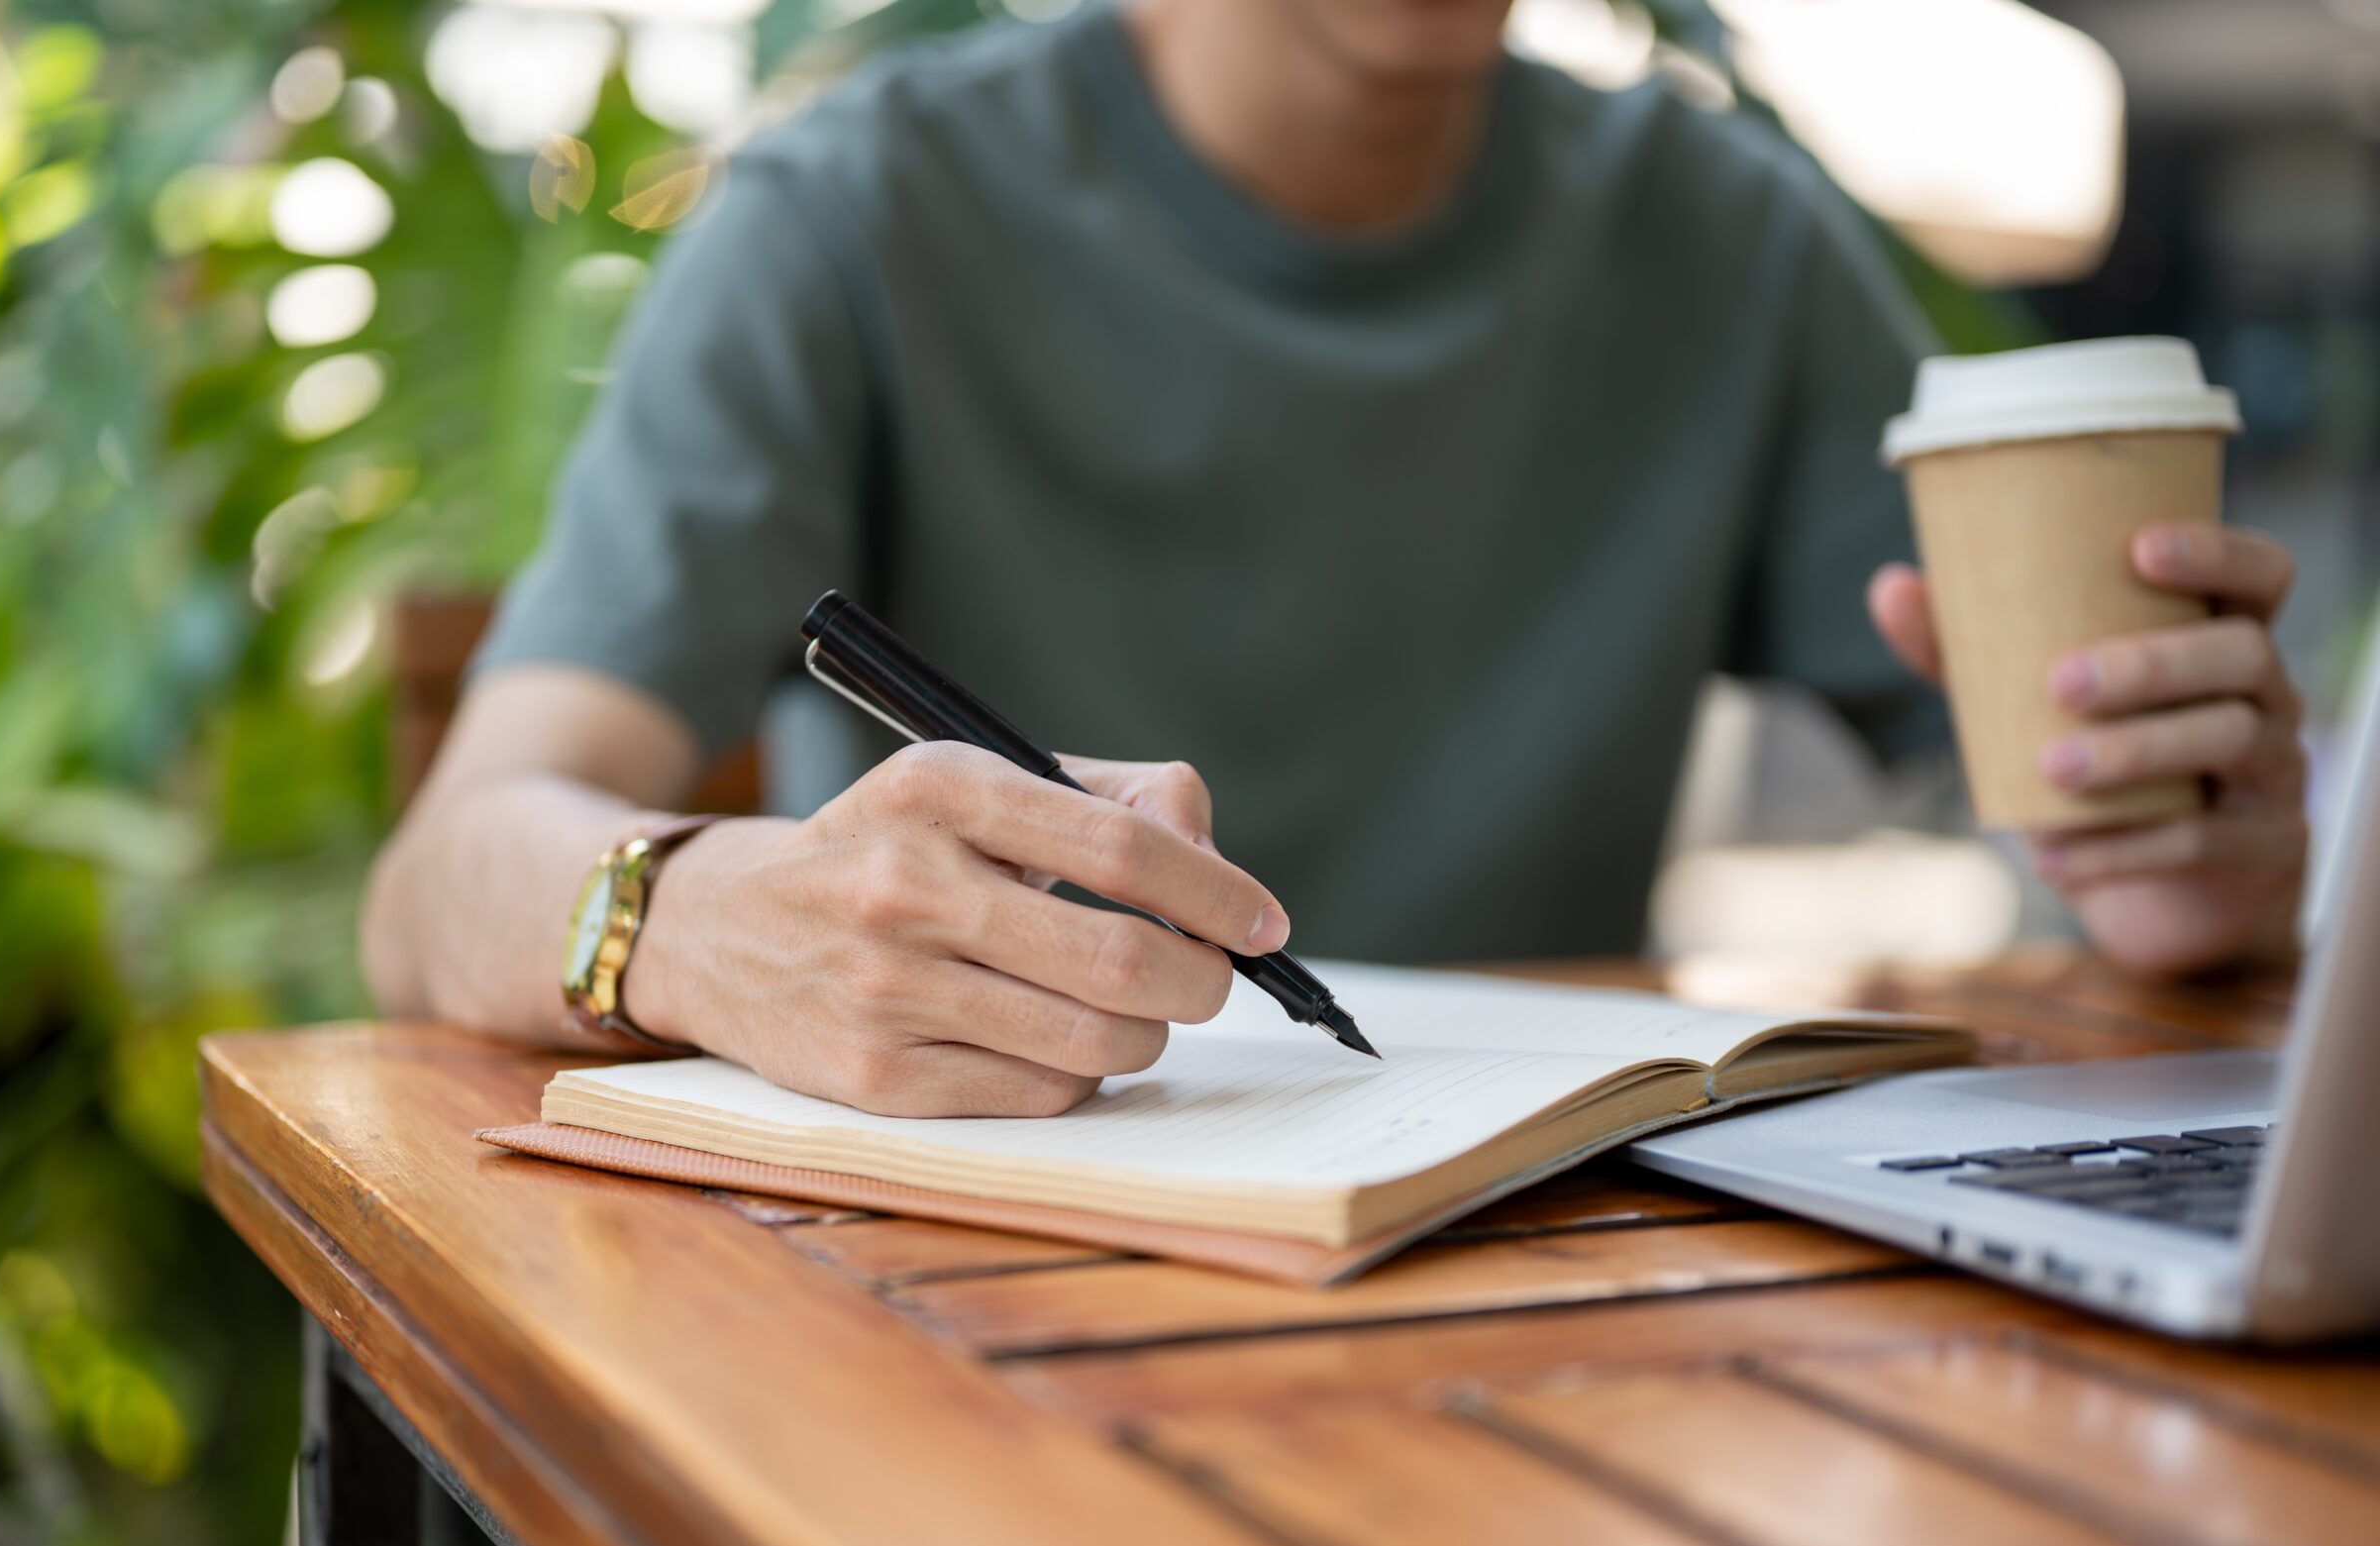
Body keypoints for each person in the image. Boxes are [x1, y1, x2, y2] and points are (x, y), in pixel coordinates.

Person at [362, 0, 2309, 1117]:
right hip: (956, 1326)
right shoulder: (850, 218)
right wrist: (689, 922)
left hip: (1539, 1296)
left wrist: (2165, 858)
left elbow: (2056, 795)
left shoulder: (1718, 241)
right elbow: (448, 870)